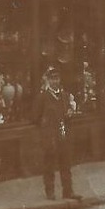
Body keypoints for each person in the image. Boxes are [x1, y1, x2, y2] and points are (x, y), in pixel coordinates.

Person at [37, 66, 81, 201]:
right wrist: (45, 128)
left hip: (63, 135)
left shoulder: (65, 96)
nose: (55, 81)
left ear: (60, 79)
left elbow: (69, 113)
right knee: (49, 164)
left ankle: (68, 191)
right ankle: (50, 192)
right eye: (52, 78)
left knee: (66, 164)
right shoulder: (42, 97)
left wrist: (70, 113)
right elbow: (36, 118)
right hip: (50, 136)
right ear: (48, 80)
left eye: (57, 78)